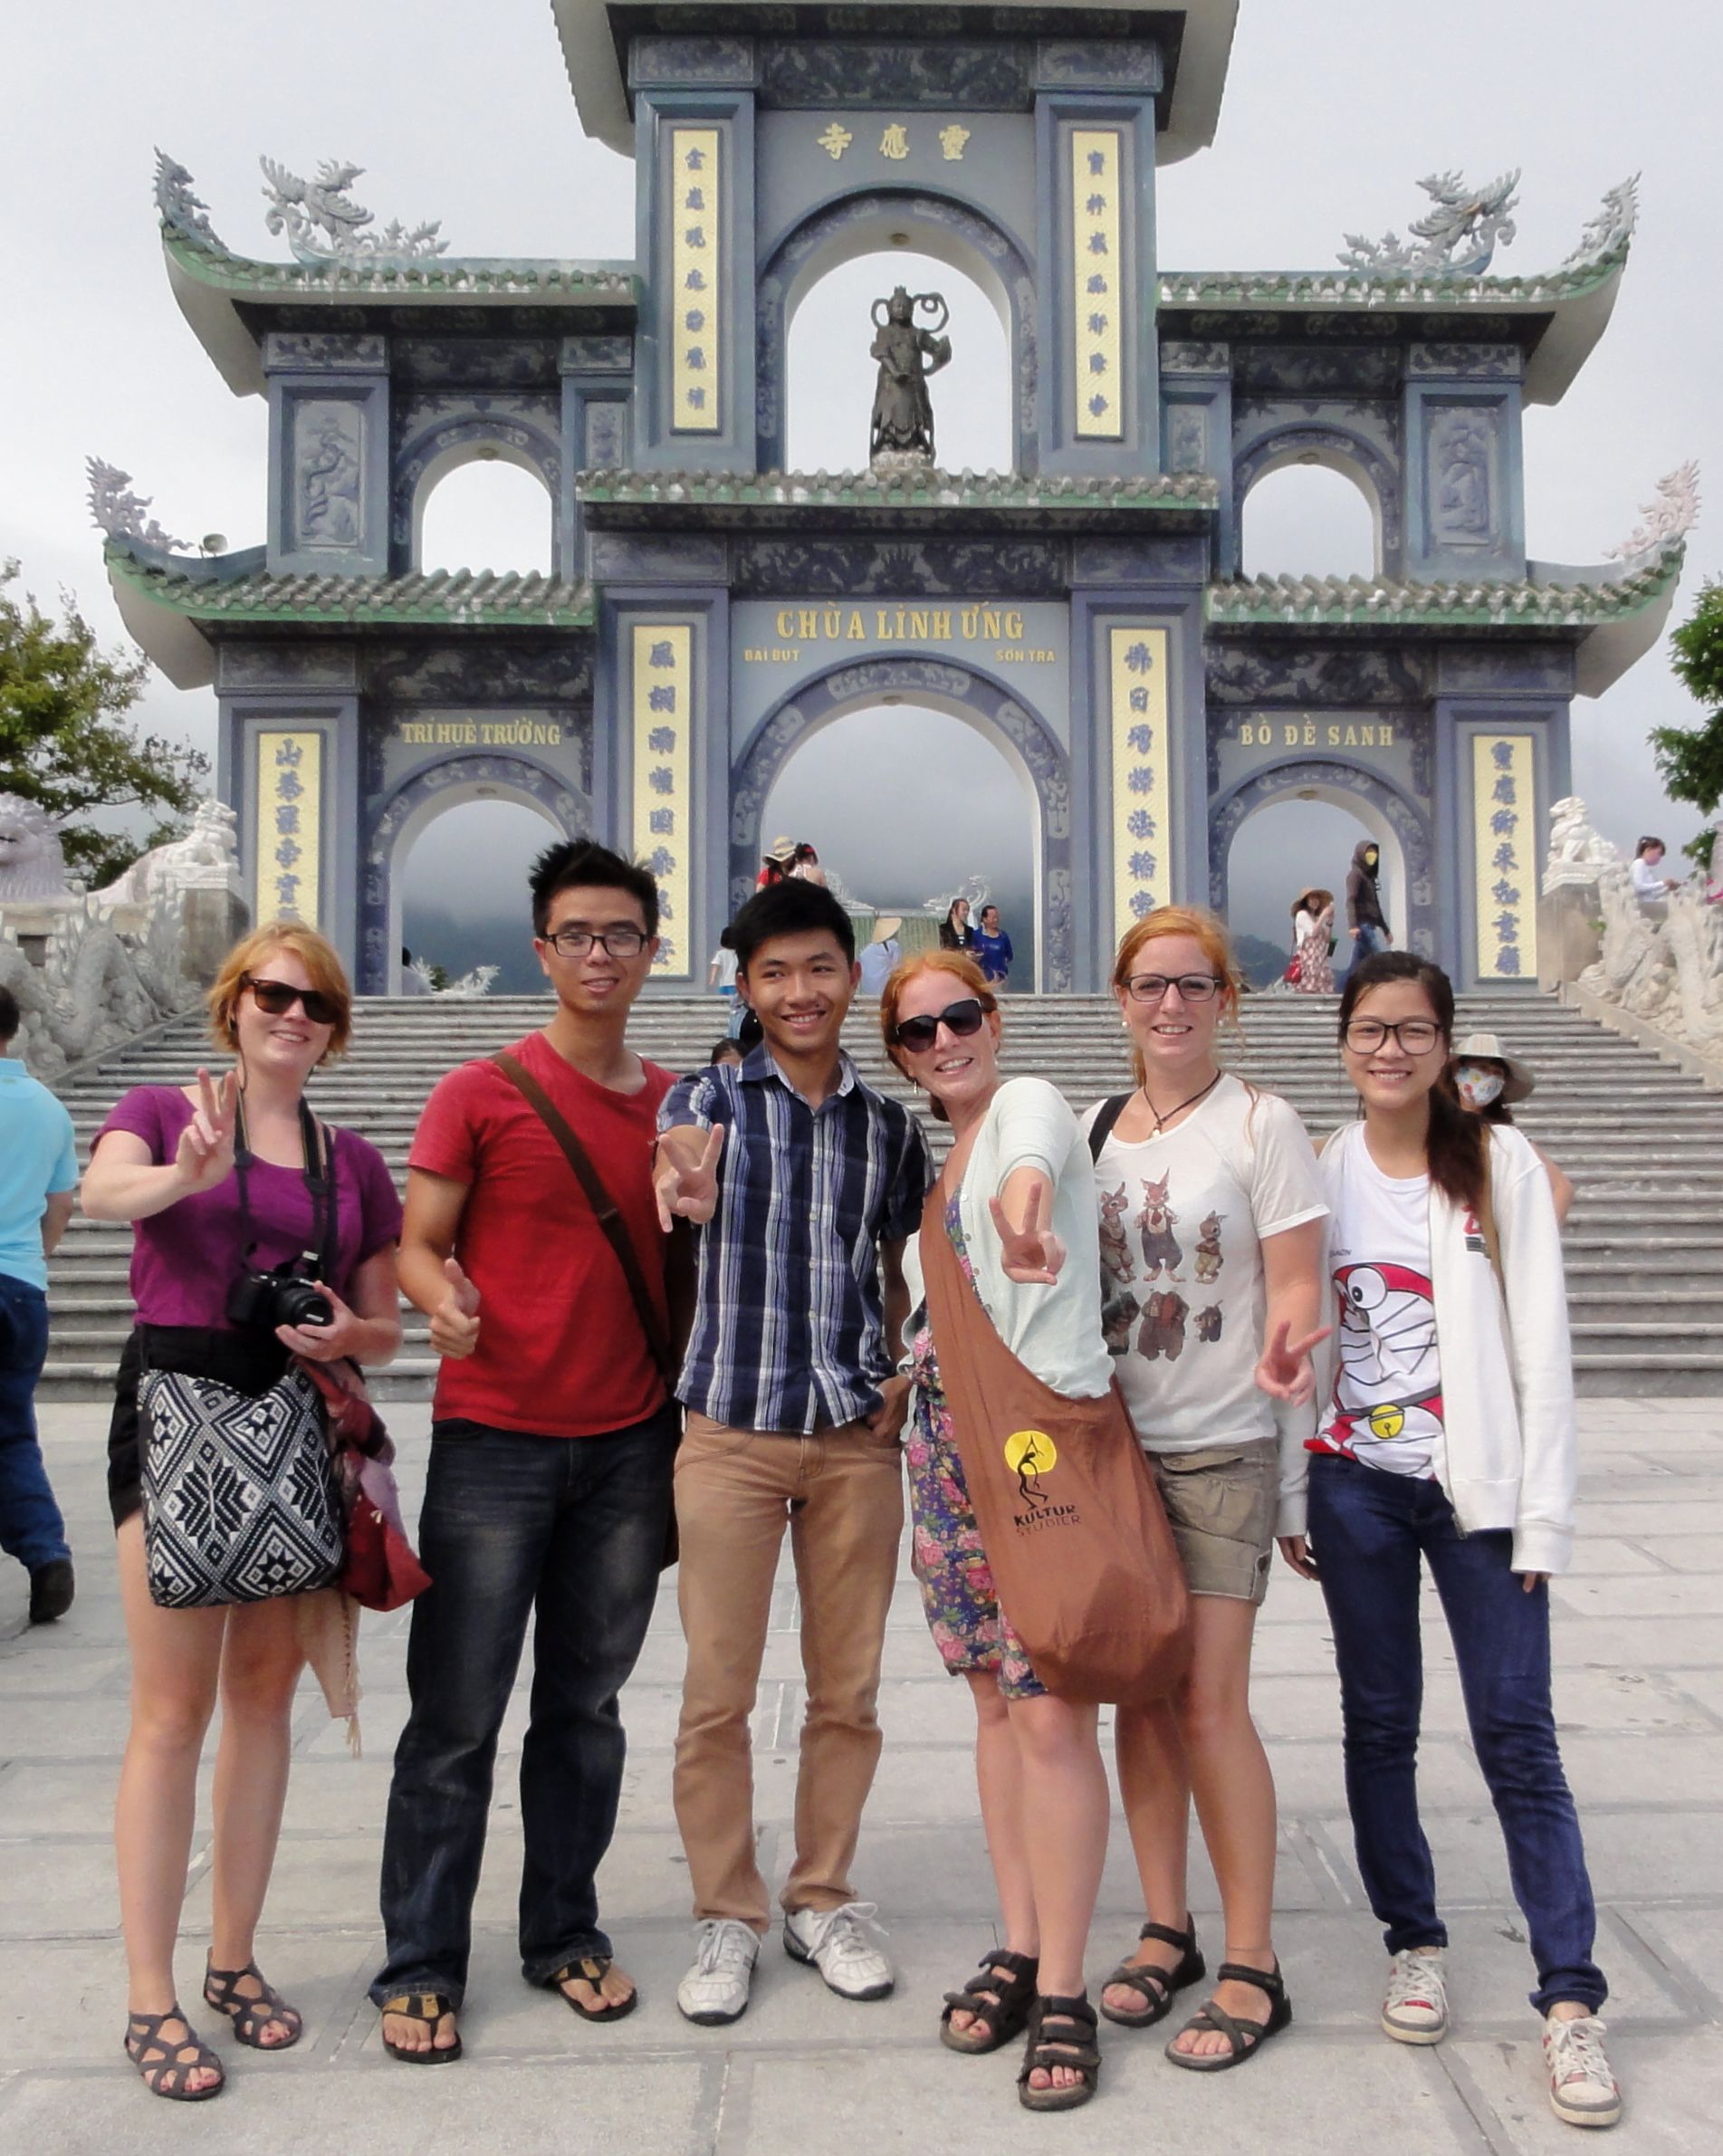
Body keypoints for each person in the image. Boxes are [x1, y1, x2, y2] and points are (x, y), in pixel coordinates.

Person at [1281, 951, 1621, 2132]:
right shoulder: (1319, 1167)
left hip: (1478, 1493)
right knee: (1378, 1723)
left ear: (1445, 1043)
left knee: (1516, 1732)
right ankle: (1411, 1941)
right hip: (1353, 1487)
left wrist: (1543, 1510)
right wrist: (1294, 1497)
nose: (1389, 1049)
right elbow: (1298, 1340)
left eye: (1411, 1030)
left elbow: (1541, 1345)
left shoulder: (1498, 1163)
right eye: (1369, 1030)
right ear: (1341, 1041)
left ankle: (1568, 1996)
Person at [371, 839, 682, 2064]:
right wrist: (437, 1299)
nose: (600, 954)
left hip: (627, 1445)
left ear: (651, 950)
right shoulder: (479, 1091)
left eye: (622, 934)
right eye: (577, 934)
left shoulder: (681, 1106)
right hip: (493, 1440)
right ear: (541, 949)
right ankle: (420, 1960)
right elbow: (416, 1242)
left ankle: (562, 1931)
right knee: (455, 1715)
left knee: (584, 1708)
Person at [81, 924, 404, 2103]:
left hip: (288, 1422)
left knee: (262, 1702)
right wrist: (186, 1174)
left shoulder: (350, 1161)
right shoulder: (163, 1109)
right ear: (233, 1003)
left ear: (334, 1028)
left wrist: (348, 1332)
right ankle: (148, 1994)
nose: (292, 1014)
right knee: (172, 1713)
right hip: (171, 1409)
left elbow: (385, 1323)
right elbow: (104, 1191)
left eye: (315, 1002)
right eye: (272, 993)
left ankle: (232, 1957)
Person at [652, 877, 932, 2027]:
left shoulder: (888, 1127)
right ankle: (728, 1911)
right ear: (746, 984)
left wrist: (904, 1366)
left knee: (847, 1690)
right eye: (773, 972)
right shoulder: (706, 1096)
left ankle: (821, 1893)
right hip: (729, 1432)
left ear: (852, 976)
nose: (799, 990)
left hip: (853, 1437)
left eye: (819, 967)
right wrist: (681, 1183)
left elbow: (905, 1263)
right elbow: (674, 1178)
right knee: (715, 1693)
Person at [885, 950, 1129, 2112]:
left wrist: (1025, 1222)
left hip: (1033, 1445)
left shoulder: (1025, 1104)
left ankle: (1067, 1984)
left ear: (995, 1018)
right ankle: (1021, 1941)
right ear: (901, 1057)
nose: (944, 1040)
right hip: (946, 1447)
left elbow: (1025, 1173)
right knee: (993, 1699)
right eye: (916, 1030)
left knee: (1049, 1706)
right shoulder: (942, 1159)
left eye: (960, 1015)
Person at [1088, 907, 1328, 2072]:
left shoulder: (1262, 1122)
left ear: (1227, 998)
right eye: (1150, 984)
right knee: (1138, 1699)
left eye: (1193, 985)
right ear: (1120, 998)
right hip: (1111, 1453)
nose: (1170, 1005)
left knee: (1209, 1703)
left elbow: (1297, 1292)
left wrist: (1294, 1473)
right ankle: (1164, 1925)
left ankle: (1253, 1957)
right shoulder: (1091, 1129)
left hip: (1224, 1444)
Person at [0, 983, 79, 1624]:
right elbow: (60, 1204)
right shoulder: (49, 1108)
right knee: (11, 1431)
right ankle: (45, 1551)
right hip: (22, 1290)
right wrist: (35, 1257)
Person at [1452, 1032, 1575, 1225]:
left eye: (1497, 1073)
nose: (1489, 1078)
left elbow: (1562, 1188)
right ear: (1458, 1070)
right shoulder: (1428, 1123)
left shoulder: (1507, 1136)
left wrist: (1539, 1236)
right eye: (1482, 1069)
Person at [1345, 841, 1392, 960]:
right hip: (1363, 926)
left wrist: (1385, 930)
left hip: (1370, 925)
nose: (1372, 856)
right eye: (1369, 853)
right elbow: (1351, 900)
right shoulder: (1355, 875)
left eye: (1374, 854)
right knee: (1378, 960)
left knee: (1356, 966)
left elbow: (1376, 905)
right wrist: (1352, 926)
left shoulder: (1369, 878)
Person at [1289, 889, 1335, 996]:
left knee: (1321, 981)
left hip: (1319, 955)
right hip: (1308, 954)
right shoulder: (1302, 915)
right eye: (1312, 898)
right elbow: (1313, 932)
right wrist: (1323, 915)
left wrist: (1330, 921)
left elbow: (1327, 938)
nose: (1315, 901)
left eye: (1317, 898)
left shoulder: (1316, 918)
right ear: (1306, 901)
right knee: (1308, 980)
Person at [857, 915, 904, 998]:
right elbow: (899, 969)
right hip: (883, 992)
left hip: (866, 992)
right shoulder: (893, 945)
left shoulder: (866, 950)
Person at [973, 903, 1014, 989]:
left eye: (997, 917)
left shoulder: (1003, 936)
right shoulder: (976, 935)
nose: (996, 920)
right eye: (993, 917)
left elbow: (1009, 956)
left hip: (1000, 981)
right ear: (985, 919)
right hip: (982, 981)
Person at [708, 927, 741, 1034]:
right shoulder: (739, 953)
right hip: (736, 984)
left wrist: (712, 978)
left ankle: (726, 1025)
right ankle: (732, 1025)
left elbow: (715, 966)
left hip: (724, 984)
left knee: (724, 1006)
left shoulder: (721, 953)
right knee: (735, 1007)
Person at [1630, 836, 1678, 906]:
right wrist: (1663, 883)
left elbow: (1652, 895)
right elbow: (1639, 886)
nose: (1659, 858)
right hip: (1642, 907)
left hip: (1648, 906)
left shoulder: (1646, 868)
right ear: (1648, 850)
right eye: (1659, 853)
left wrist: (1668, 888)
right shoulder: (1639, 863)